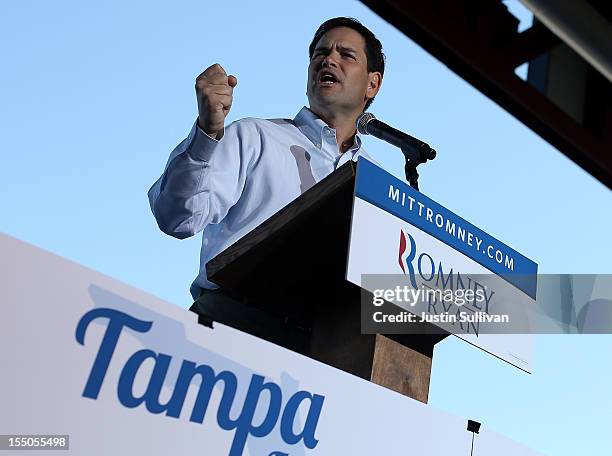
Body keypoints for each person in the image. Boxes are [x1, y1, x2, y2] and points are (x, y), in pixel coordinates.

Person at [148, 17, 385, 345]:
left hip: (321, 352)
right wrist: (207, 133)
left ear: (372, 84)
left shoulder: (378, 183)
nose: (328, 60)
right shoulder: (255, 136)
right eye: (320, 54)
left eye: (347, 55)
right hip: (229, 325)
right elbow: (178, 218)